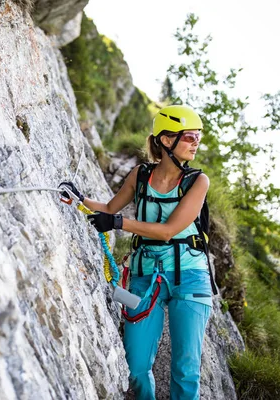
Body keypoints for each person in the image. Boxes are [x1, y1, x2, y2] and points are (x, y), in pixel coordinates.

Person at [60, 105, 213, 400]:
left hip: (191, 278)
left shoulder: (197, 181)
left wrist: (118, 223)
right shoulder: (140, 175)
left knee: (186, 369)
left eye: (198, 137)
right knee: (136, 366)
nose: (196, 143)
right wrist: (79, 198)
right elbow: (108, 208)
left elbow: (169, 230)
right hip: (145, 276)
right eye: (190, 137)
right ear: (167, 140)